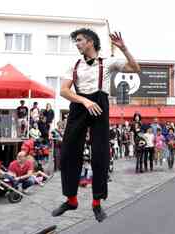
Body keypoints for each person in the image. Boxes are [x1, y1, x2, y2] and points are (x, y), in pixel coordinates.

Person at [51, 28, 140, 222]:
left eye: (80, 40)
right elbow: (64, 91)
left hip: (100, 103)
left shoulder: (108, 62)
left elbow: (135, 68)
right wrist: (83, 101)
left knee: (100, 154)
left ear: (90, 42)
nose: (77, 44)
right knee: (68, 152)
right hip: (79, 105)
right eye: (76, 41)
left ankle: (96, 203)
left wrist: (124, 49)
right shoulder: (74, 65)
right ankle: (71, 199)